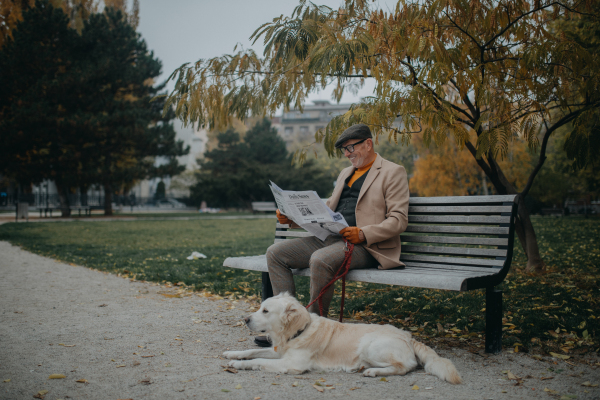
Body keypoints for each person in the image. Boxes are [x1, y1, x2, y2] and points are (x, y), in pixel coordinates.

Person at [255, 123, 409, 347]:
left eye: (351, 148)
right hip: (331, 238)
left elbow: (398, 220)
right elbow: (327, 210)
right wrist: (292, 219)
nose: (347, 154)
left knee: (320, 259)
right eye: (344, 150)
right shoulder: (345, 173)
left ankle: (313, 331)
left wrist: (363, 233)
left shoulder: (393, 172)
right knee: (275, 253)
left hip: (365, 246)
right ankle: (284, 324)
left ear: (368, 144)